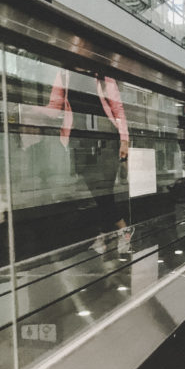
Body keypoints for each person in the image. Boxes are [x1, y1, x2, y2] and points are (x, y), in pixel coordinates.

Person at [47, 68, 133, 254]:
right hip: (80, 143)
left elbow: (117, 109)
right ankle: (116, 232)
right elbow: (54, 108)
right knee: (98, 193)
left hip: (107, 140)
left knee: (103, 190)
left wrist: (124, 139)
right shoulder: (63, 74)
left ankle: (116, 232)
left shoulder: (103, 75)